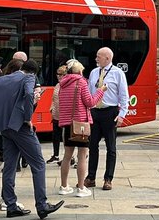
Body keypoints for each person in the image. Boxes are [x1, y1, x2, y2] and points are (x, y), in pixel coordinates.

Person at [0, 58, 64, 219]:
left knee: (9, 166)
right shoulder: (29, 77)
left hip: (5, 128)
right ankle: (42, 205)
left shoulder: (1, 80)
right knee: (38, 164)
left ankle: (11, 205)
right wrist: (27, 117)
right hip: (20, 127)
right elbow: (29, 93)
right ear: (34, 72)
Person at [85, 47, 129, 191]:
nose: (96, 59)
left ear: (108, 58)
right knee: (92, 146)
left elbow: (124, 96)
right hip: (95, 111)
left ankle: (108, 178)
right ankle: (91, 177)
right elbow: (91, 93)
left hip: (110, 112)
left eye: (99, 56)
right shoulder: (93, 72)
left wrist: (122, 115)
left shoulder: (118, 73)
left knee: (111, 147)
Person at [55, 59, 99, 197]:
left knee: (67, 156)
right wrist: (100, 91)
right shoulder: (81, 82)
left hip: (67, 124)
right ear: (79, 71)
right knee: (82, 156)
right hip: (80, 124)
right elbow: (90, 102)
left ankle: (64, 186)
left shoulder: (62, 84)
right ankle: (81, 188)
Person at [47, 64, 68, 164]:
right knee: (55, 136)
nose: (59, 76)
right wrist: (52, 108)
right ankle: (55, 155)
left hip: (65, 116)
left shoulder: (68, 85)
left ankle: (69, 157)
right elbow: (54, 98)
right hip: (56, 115)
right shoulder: (57, 85)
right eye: (58, 74)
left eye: (62, 74)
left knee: (66, 137)